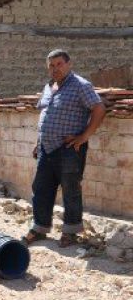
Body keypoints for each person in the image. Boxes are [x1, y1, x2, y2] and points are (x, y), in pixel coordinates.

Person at [23, 49, 105, 247]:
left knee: (70, 189)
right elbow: (46, 116)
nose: (55, 69)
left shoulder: (80, 85)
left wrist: (84, 136)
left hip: (69, 148)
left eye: (59, 64)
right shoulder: (49, 87)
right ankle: (40, 228)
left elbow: (99, 108)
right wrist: (38, 142)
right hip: (46, 148)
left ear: (69, 64)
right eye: (51, 65)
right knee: (40, 188)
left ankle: (71, 232)